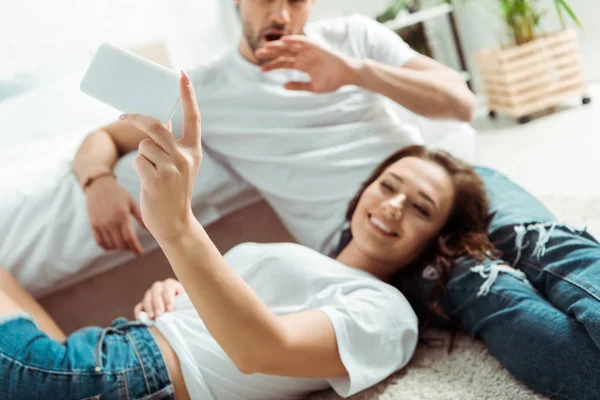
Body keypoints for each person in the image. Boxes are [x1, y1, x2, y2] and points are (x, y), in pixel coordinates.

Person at [0, 75, 495, 399]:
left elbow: (262, 349)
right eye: (389, 186)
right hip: (111, 354)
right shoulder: (313, 262)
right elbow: (227, 317)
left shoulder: (388, 314)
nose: (392, 206)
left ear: (437, 242)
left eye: (420, 208)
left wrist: (176, 225)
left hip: (128, 377)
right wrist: (178, 297)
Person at [72, 0, 476, 256]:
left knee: (533, 241)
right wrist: (97, 181)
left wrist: (357, 73)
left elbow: (460, 102)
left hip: (438, 189)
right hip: (364, 237)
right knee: (495, 297)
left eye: (296, 1)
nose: (281, 15)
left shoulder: (352, 37)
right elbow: (103, 136)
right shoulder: (201, 89)